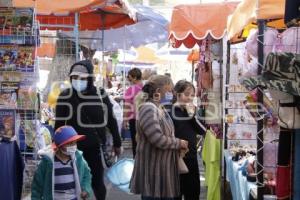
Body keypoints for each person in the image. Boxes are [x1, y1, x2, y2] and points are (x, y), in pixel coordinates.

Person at [54, 60, 122, 200]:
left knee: (97, 182)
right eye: (75, 77)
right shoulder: (65, 96)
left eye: (82, 78)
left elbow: (111, 120)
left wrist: (117, 142)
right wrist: (56, 146)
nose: (78, 80)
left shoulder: (100, 94)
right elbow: (59, 124)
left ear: (90, 78)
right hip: (71, 150)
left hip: (95, 148)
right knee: (74, 184)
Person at [130, 75, 189, 200]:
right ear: (158, 92)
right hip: (153, 174)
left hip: (162, 172)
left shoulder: (159, 108)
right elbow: (157, 138)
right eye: (169, 90)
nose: (172, 94)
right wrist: (178, 143)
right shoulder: (148, 109)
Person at [167, 80, 205, 200]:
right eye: (187, 94)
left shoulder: (192, 111)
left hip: (191, 157)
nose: (190, 97)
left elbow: (203, 130)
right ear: (177, 94)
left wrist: (192, 116)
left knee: (193, 193)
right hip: (174, 158)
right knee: (175, 193)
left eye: (192, 95)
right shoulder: (169, 111)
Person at [31, 126, 93, 200]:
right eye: (70, 143)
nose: (73, 146)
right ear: (60, 146)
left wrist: (85, 189)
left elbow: (87, 175)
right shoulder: (47, 162)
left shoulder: (78, 158)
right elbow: (37, 185)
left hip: (74, 197)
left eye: (75, 142)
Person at [123, 68, 143, 157]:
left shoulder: (130, 90)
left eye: (129, 77)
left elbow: (127, 107)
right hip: (146, 119)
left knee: (136, 143)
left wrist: (124, 121)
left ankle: (136, 163)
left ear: (134, 78)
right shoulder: (146, 88)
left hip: (134, 120)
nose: (128, 79)